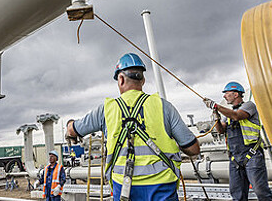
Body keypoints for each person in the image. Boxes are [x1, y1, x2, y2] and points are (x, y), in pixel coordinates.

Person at [66, 53, 200, 201]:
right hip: (162, 184)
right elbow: (193, 149)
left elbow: (73, 130)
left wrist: (69, 124)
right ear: (143, 80)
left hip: (123, 186)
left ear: (121, 79)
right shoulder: (164, 107)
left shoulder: (106, 110)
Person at [204, 82, 272, 201]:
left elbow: (237, 116)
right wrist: (216, 116)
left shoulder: (249, 106)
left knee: (261, 192)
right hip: (235, 158)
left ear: (236, 94)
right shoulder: (228, 115)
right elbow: (221, 130)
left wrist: (216, 106)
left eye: (227, 93)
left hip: (252, 155)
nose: (224, 96)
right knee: (237, 195)